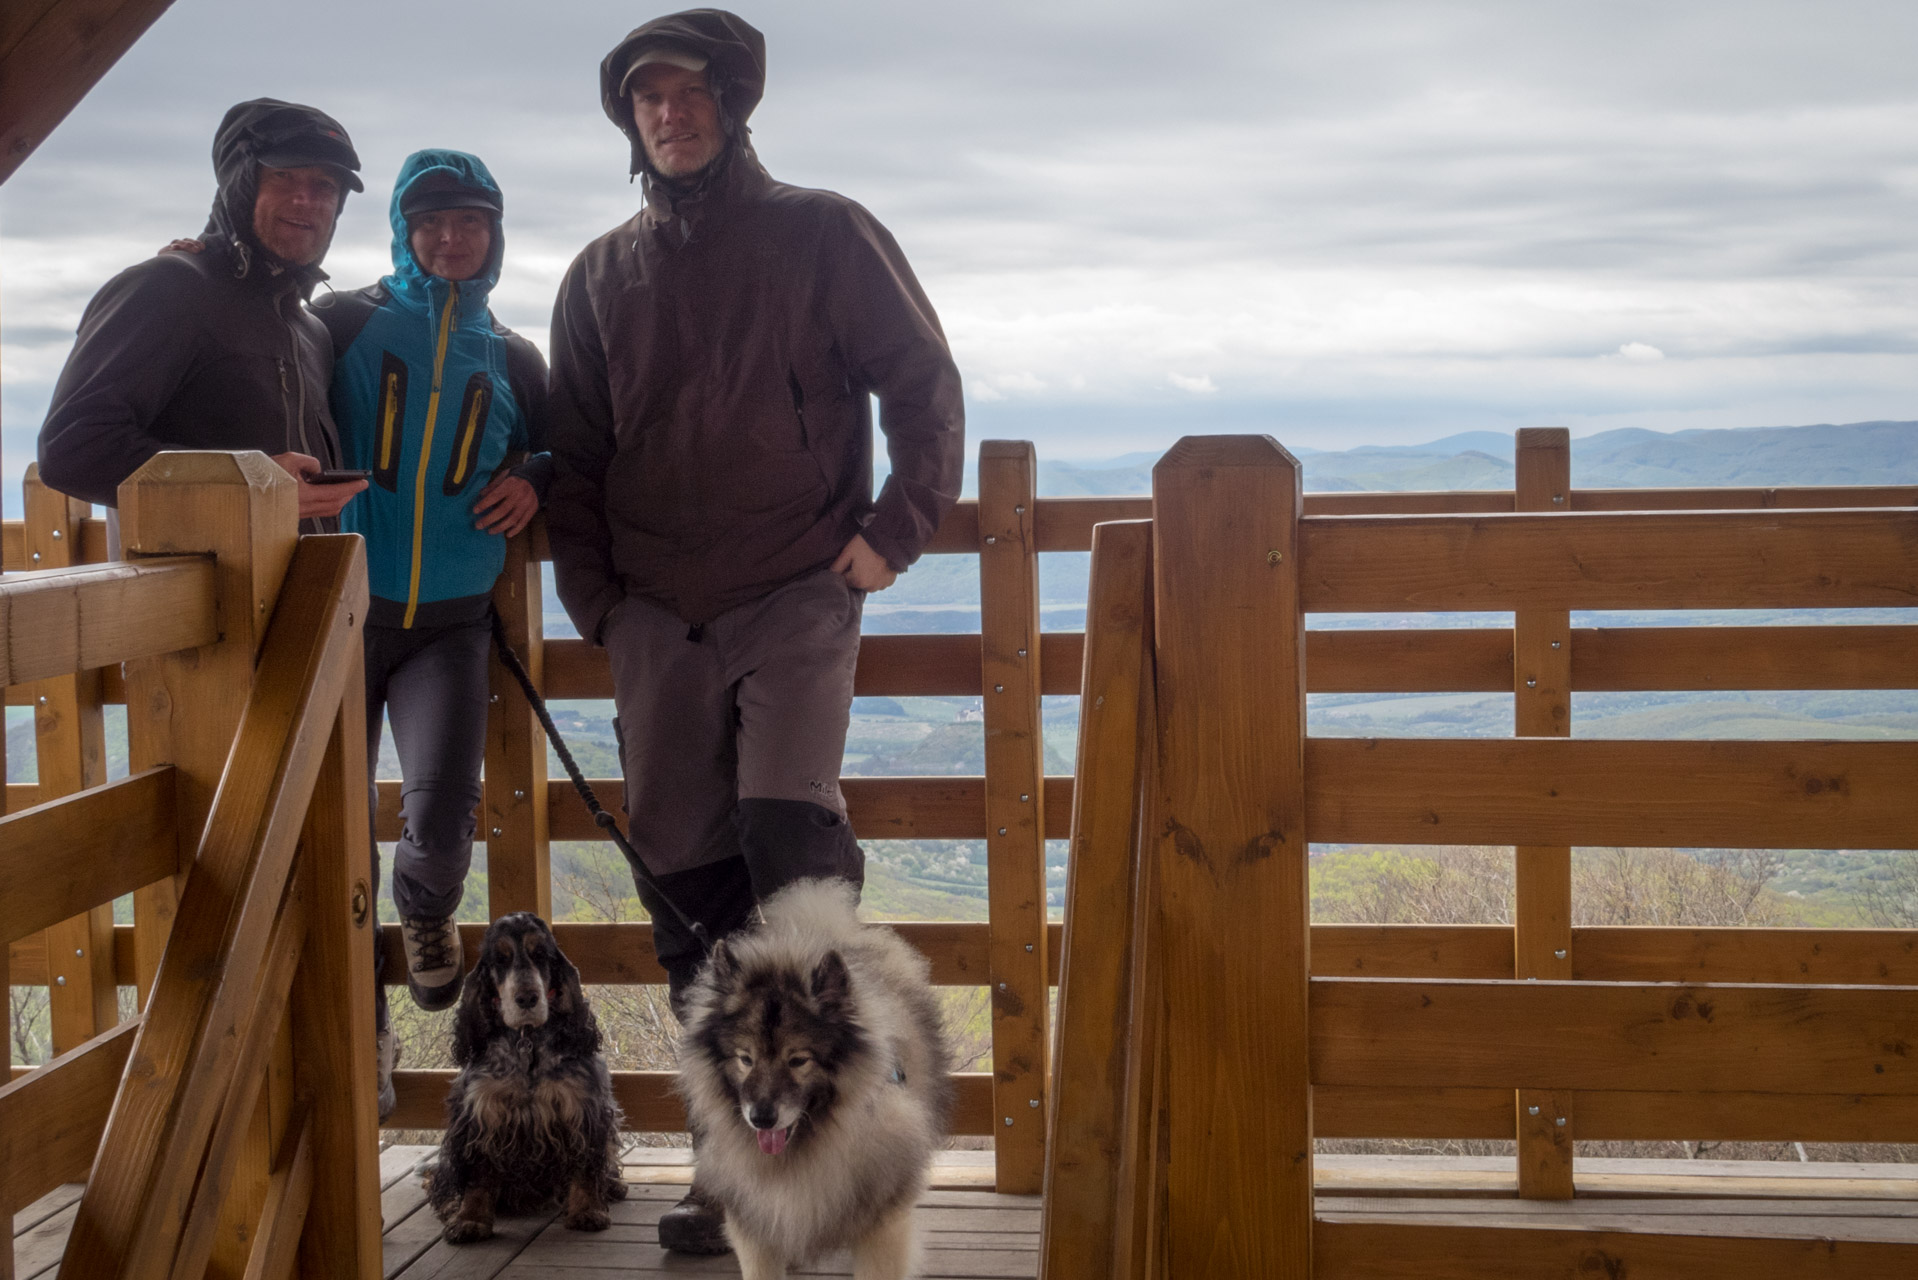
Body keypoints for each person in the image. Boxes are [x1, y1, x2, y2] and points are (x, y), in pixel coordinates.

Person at [544, 9, 964, 1254]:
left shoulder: (823, 232)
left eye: (689, 93)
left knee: (790, 840)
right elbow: (574, 455)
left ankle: (846, 1142)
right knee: (681, 876)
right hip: (653, 612)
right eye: (646, 99)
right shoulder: (597, 276)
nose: (669, 114)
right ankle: (732, 1164)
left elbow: (921, 380)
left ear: (733, 103)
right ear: (629, 121)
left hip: (793, 586)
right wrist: (597, 601)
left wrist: (897, 527)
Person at [310, 150, 551, 1120]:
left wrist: (537, 472)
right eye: (432, 222)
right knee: (328, 836)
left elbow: (563, 442)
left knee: (443, 818)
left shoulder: (512, 353)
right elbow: (253, 368)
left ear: (495, 235)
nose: (451, 238)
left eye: (471, 223)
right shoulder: (341, 323)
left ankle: (425, 914)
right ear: (403, 231)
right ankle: (351, 1032)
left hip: (450, 621)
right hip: (336, 610)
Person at [37, 98, 369, 529]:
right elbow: (73, 450)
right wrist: (248, 483)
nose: (305, 199)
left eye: (325, 185)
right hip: (195, 593)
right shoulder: (168, 286)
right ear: (241, 183)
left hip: (306, 589)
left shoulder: (310, 330)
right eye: (283, 175)